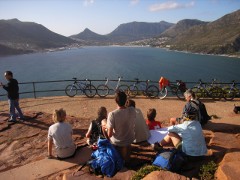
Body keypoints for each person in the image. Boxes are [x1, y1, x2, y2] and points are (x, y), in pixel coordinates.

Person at [107, 91, 136, 163]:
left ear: (115, 101)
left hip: (118, 141)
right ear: (126, 100)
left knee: (104, 124)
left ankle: (111, 147)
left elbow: (109, 134)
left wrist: (106, 127)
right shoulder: (132, 110)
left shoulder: (112, 114)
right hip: (130, 139)